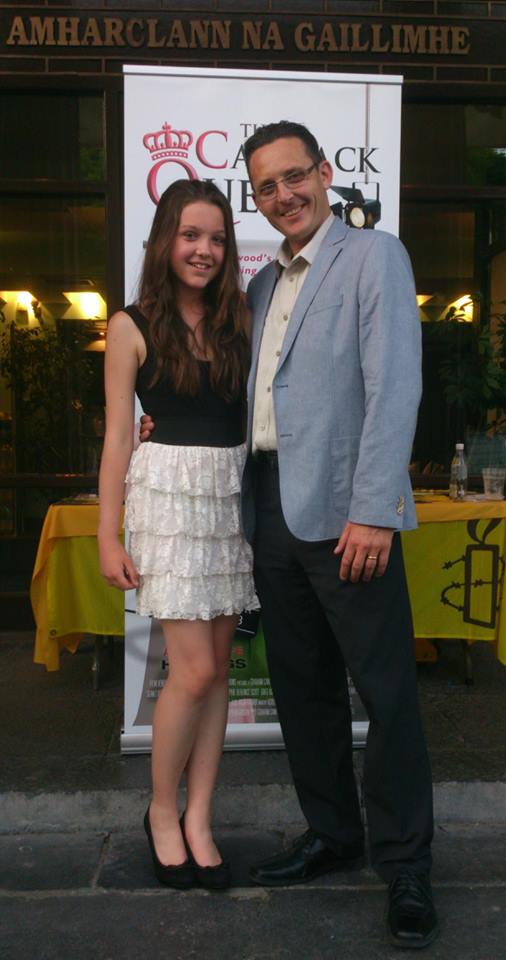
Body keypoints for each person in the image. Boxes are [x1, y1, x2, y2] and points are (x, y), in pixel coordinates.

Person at [141, 121, 439, 949]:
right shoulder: (264, 285)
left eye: (293, 177)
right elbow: (235, 392)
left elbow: (394, 388)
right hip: (266, 508)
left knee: (386, 696)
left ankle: (406, 865)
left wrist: (375, 508)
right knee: (303, 692)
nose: (284, 195)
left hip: (349, 513)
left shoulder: (374, 257)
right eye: (266, 187)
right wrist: (157, 428)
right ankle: (333, 836)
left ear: (324, 172)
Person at [98, 179, 258, 891]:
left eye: (218, 238)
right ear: (165, 240)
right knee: (190, 671)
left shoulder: (239, 322)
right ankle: (162, 813)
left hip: (229, 502)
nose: (205, 250)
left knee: (220, 672)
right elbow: (113, 437)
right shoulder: (130, 324)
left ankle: (200, 817)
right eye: (191, 235)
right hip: (167, 502)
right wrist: (109, 535)